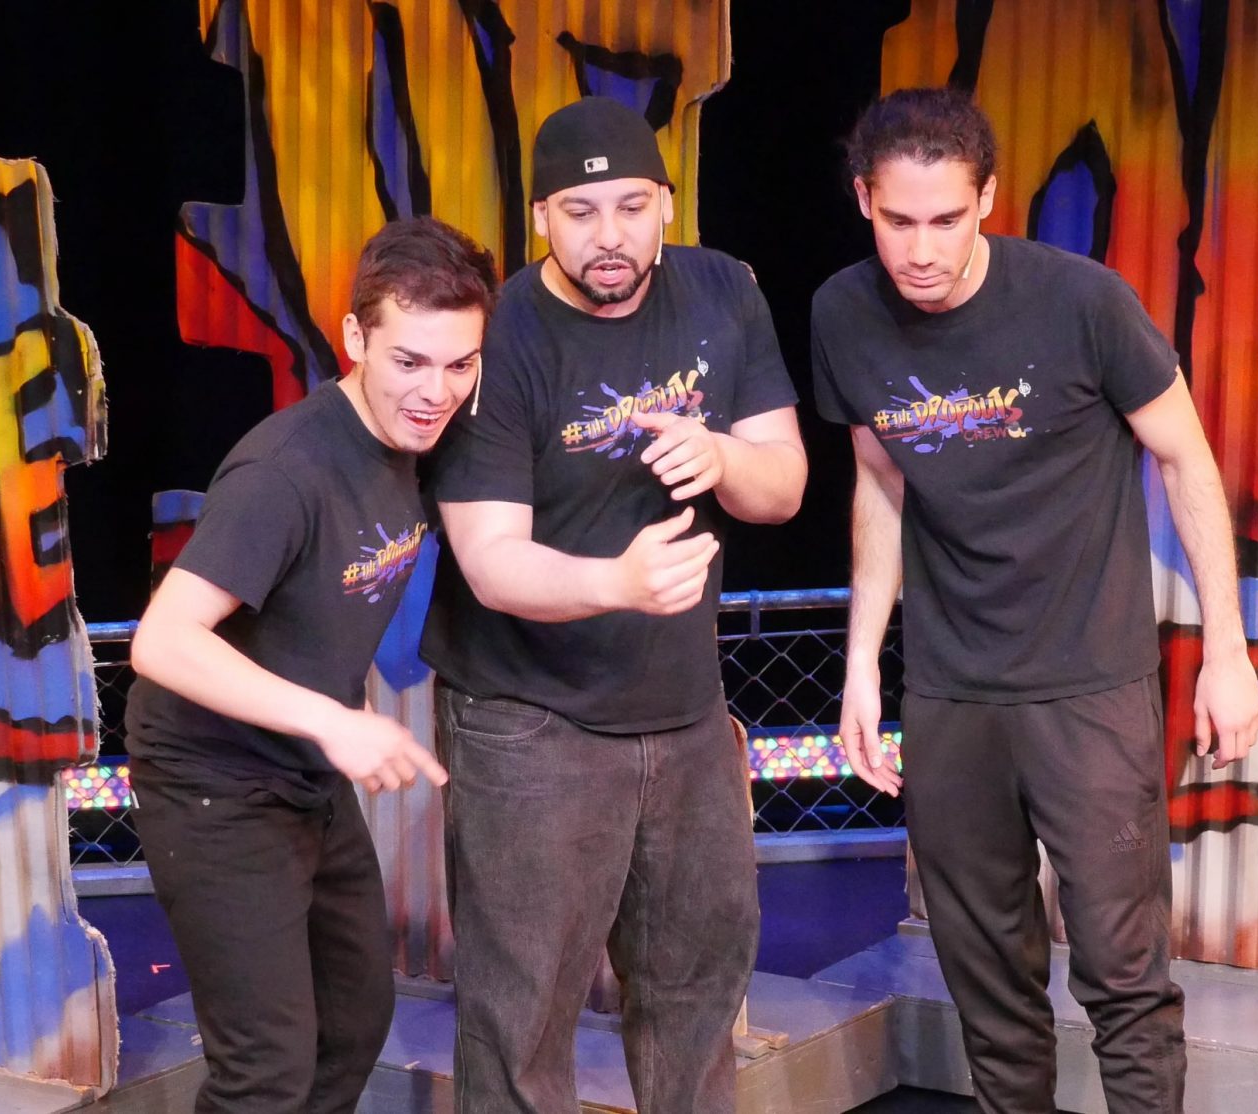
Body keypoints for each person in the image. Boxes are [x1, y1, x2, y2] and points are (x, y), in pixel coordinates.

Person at [812, 87, 1258, 1114]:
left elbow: (1186, 459)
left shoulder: (1081, 303)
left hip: (1087, 685)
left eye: (946, 219)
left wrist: (1229, 651)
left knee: (1124, 976)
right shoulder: (843, 312)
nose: (920, 250)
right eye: (897, 221)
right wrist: (861, 664)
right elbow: (880, 480)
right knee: (988, 988)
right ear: (864, 200)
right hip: (952, 692)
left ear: (987, 199)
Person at [421, 96, 807, 1112]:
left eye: (632, 207)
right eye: (580, 211)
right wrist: (618, 585)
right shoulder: (500, 335)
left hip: (682, 709)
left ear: (666, 203)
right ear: (540, 217)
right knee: (523, 1015)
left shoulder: (723, 291)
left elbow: (783, 484)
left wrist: (724, 456)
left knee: (696, 988)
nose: (609, 236)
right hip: (527, 720)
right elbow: (490, 561)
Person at [122, 216, 498, 1113]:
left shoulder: (420, 437)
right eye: (410, 361)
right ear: (355, 338)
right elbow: (162, 641)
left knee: (353, 1022)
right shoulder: (285, 470)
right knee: (267, 1068)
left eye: (460, 364)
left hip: (303, 777)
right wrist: (333, 720)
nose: (436, 391)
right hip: (214, 783)